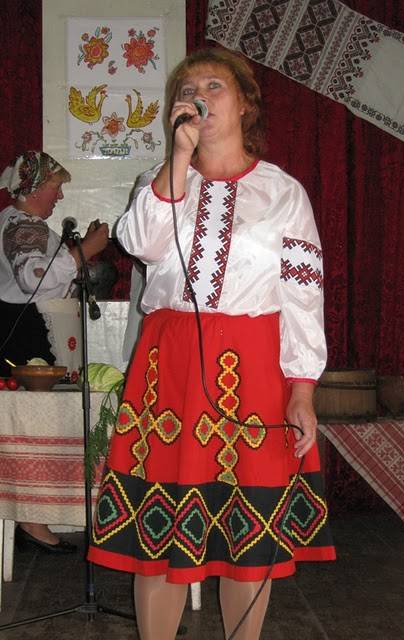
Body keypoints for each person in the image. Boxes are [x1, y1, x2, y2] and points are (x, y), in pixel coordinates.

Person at [87, 49, 335, 639]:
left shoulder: (283, 193)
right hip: (169, 368)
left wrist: (303, 389)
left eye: (214, 85)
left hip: (254, 369)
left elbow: (303, 298)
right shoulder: (161, 184)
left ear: (245, 103)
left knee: (247, 535)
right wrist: (178, 158)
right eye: (187, 87)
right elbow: (139, 242)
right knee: (159, 530)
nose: (198, 95)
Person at [0, 150, 109, 553]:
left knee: (32, 427)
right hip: (23, 334)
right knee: (31, 427)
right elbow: (33, 278)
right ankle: (30, 519)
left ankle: (30, 517)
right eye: (55, 187)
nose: (59, 196)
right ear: (33, 189)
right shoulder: (21, 226)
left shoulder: (24, 224)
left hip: (28, 331)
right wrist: (86, 250)